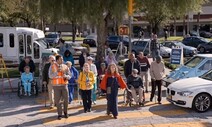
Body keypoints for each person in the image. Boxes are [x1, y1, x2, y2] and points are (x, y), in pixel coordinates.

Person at [49, 55, 71, 120]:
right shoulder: (52, 66)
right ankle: (59, 114)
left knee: (66, 100)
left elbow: (70, 75)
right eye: (61, 59)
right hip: (56, 86)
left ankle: (66, 112)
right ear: (57, 60)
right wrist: (56, 72)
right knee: (57, 101)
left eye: (62, 59)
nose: (62, 60)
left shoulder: (65, 66)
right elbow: (50, 76)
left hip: (64, 85)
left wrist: (66, 76)